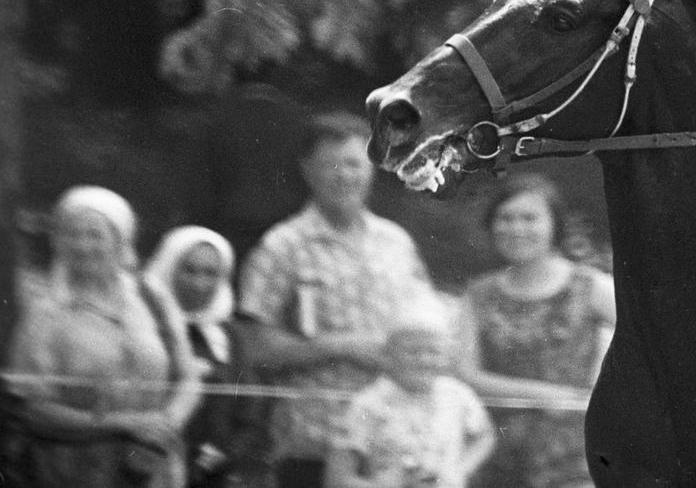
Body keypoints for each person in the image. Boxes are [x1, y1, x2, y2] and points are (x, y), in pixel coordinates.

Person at [237, 111, 434, 488]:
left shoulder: (397, 244)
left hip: (393, 444)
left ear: (373, 168)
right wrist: (340, 346)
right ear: (307, 170)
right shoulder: (282, 247)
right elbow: (255, 349)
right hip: (314, 444)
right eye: (330, 165)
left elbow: (428, 332)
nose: (344, 176)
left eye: (353, 163)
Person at [6, 185, 202, 487]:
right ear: (59, 242)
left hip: (151, 468)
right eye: (72, 235)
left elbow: (189, 377)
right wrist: (127, 424)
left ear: (119, 240)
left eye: (95, 235)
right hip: (74, 473)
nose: (83, 246)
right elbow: (32, 410)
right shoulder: (45, 314)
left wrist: (163, 427)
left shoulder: (152, 297)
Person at [457, 173, 615, 488]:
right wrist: (544, 395)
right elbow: (466, 374)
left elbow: (644, 348)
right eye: (506, 218)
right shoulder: (479, 293)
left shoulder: (590, 286)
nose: (517, 229)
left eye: (530, 218)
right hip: (495, 459)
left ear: (554, 225)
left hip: (576, 460)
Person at [143, 226, 273, 487]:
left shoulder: (229, 335)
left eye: (210, 273)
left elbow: (251, 409)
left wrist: (223, 453)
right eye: (188, 270)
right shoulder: (144, 328)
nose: (199, 283)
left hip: (214, 472)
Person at [324, 301, 495, 488]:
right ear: (387, 355)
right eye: (412, 351)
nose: (423, 360)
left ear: (446, 356)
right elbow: (336, 479)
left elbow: (485, 435)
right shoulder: (367, 404)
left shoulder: (457, 394)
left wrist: (460, 470)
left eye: (434, 351)